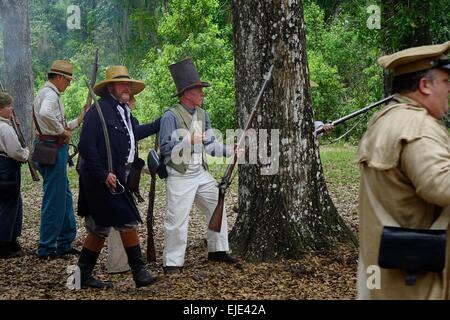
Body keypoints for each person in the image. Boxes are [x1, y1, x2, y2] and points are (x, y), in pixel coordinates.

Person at [357, 41, 450, 299]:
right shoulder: (417, 126)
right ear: (424, 85)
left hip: (386, 275)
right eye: (445, 82)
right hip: (416, 281)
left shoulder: (383, 121)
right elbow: (440, 186)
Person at [76, 66, 159, 288]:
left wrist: (160, 123)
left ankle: (80, 276)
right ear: (110, 87)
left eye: (128, 84)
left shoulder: (123, 111)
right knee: (128, 219)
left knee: (98, 227)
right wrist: (103, 174)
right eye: (122, 84)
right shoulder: (99, 111)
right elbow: (86, 146)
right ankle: (139, 272)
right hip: (99, 178)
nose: (127, 88)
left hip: (116, 176)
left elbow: (135, 134)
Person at [159, 58, 239, 274]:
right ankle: (172, 263)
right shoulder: (170, 116)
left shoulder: (204, 115)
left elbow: (211, 145)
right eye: (199, 90)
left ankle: (218, 250)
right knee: (176, 220)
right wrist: (188, 140)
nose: (203, 93)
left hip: (200, 173)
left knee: (217, 205)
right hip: (179, 174)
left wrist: (230, 150)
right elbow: (165, 149)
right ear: (186, 93)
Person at [33, 60, 84, 260]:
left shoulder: (49, 93)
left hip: (53, 147)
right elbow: (47, 115)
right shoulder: (50, 94)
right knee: (54, 200)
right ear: (59, 77)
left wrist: (78, 121)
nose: (69, 84)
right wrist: (61, 130)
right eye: (68, 80)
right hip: (52, 149)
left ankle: (64, 242)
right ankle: (46, 247)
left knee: (63, 196)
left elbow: (56, 123)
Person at [106, 95, 159, 274]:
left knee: (122, 218)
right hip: (115, 172)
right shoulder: (114, 118)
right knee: (117, 219)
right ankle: (117, 263)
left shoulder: (127, 118)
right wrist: (159, 123)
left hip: (124, 172)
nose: (131, 105)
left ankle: (123, 262)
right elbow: (137, 132)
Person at [0, 92, 29, 259]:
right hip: (7, 168)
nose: (11, 108)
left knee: (10, 203)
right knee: (9, 205)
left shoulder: (6, 125)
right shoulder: (4, 128)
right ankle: (4, 244)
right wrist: (25, 153)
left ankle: (10, 240)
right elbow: (15, 152)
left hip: (3, 167)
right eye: (8, 106)